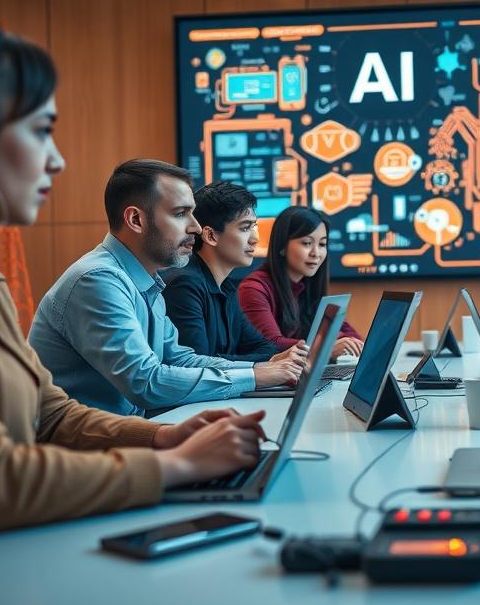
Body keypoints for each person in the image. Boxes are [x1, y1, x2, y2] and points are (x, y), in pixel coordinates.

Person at [0, 0, 270, 532]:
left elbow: (51, 413)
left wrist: (162, 436)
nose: (56, 159)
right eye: (40, 130)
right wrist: (175, 465)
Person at [29, 160, 305, 416]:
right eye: (181, 213)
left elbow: (180, 359)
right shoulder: (97, 280)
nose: (196, 227)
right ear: (136, 220)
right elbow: (145, 382)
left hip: (121, 438)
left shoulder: (146, 282)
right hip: (79, 454)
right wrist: (257, 376)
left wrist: (261, 369)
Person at [163, 181, 306, 365]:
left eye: (253, 227)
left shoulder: (226, 286)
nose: (255, 239)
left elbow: (264, 347)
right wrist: (263, 364)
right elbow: (197, 365)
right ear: (211, 236)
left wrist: (271, 360)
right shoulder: (184, 285)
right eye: (245, 228)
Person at [238, 205, 363, 360]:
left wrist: (344, 341)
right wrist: (324, 349)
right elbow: (271, 344)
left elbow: (353, 337)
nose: (316, 253)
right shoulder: (253, 288)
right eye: (306, 243)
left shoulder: (309, 286)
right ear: (282, 246)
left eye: (322, 244)